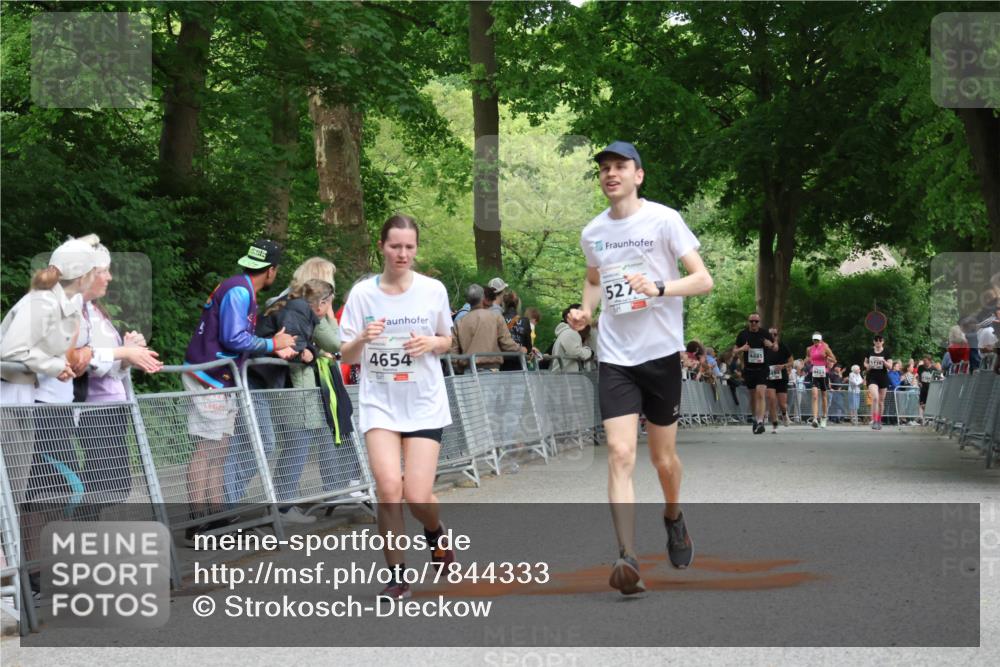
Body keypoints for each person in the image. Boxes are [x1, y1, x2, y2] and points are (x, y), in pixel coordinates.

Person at [566, 140, 713, 595]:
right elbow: (594, 279)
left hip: (660, 353)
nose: (611, 174)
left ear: (638, 175)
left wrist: (659, 287)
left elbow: (703, 280)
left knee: (663, 459)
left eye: (620, 166)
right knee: (620, 453)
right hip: (616, 357)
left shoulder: (664, 219)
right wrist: (586, 311)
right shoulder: (593, 231)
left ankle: (673, 515)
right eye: (604, 168)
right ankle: (627, 556)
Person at [339, 214, 457, 601]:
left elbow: (448, 340)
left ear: (416, 249)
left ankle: (435, 532)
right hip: (381, 404)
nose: (402, 254)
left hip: (423, 402)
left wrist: (431, 343)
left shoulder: (432, 290)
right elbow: (346, 354)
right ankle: (397, 576)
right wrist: (363, 338)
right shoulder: (362, 294)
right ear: (382, 247)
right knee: (389, 489)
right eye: (395, 246)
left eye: (409, 247)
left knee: (418, 495)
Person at [182, 239, 296, 544]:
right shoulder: (239, 291)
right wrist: (272, 344)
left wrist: (273, 346)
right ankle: (197, 524)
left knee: (219, 450)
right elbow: (233, 338)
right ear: (271, 270)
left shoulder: (241, 287)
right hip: (208, 377)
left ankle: (218, 518)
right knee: (206, 450)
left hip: (222, 378)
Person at [1, 238, 95, 584]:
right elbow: (9, 352)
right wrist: (54, 366)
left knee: (15, 495)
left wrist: (58, 363)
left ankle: (20, 583)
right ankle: (16, 583)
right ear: (83, 276)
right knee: (9, 495)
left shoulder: (57, 303)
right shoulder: (40, 303)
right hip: (8, 405)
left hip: (20, 403)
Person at [72, 236, 163, 520]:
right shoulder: (74, 310)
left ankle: (83, 529)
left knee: (115, 481)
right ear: (88, 273)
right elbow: (84, 359)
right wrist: (124, 352)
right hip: (93, 407)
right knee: (103, 481)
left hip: (113, 405)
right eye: (104, 271)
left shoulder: (96, 311)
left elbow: (110, 365)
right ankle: (76, 529)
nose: (110, 277)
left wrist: (127, 352)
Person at [451, 287, 523, 371]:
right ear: (483, 298)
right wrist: (521, 350)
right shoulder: (496, 318)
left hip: (468, 371)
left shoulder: (459, 322)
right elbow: (506, 344)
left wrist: (459, 368)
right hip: (491, 370)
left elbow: (453, 352)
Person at [735, 313, 775, 433]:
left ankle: (760, 421)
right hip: (749, 370)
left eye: (756, 321)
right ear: (748, 322)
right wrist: (742, 349)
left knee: (760, 394)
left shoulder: (765, 333)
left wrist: (771, 345)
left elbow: (775, 347)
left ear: (759, 322)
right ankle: (754, 418)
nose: (753, 323)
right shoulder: (742, 334)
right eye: (751, 321)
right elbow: (734, 351)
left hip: (762, 369)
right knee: (753, 397)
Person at [764, 327, 793, 432]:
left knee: (782, 404)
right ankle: (774, 423)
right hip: (769, 377)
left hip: (781, 377)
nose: (772, 336)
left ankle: (784, 414)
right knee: (771, 400)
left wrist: (783, 366)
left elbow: (791, 362)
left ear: (777, 335)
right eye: (770, 334)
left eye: (775, 334)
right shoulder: (764, 347)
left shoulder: (783, 346)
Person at [551, 304, 594, 372]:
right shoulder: (571, 333)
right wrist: (589, 352)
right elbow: (576, 353)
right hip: (566, 376)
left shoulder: (567, 332)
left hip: (564, 375)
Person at [806, 333, 836, 428]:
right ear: (812, 340)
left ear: (821, 340)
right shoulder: (809, 349)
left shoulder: (825, 348)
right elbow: (808, 358)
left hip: (824, 373)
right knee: (814, 395)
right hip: (814, 372)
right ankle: (815, 419)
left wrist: (826, 357)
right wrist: (805, 361)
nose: (816, 341)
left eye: (818, 340)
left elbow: (834, 360)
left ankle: (824, 417)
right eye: (814, 340)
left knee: (824, 396)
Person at [863, 335, 891, 430]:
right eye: (876, 340)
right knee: (875, 397)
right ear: (874, 342)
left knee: (881, 402)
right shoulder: (870, 351)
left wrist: (883, 361)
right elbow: (865, 363)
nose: (878, 342)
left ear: (883, 342)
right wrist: (868, 366)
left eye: (880, 340)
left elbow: (890, 366)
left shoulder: (887, 351)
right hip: (872, 377)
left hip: (883, 377)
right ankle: (874, 420)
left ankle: (879, 420)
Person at [501, 292, 533, 371]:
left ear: (504, 304)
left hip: (503, 359)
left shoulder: (500, 318)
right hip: (520, 360)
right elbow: (528, 345)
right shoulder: (525, 321)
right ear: (518, 304)